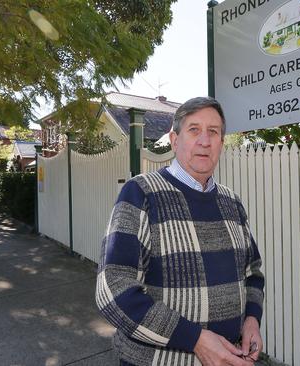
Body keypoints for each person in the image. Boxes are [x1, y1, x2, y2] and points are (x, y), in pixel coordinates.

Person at [96, 97, 264, 366]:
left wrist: (252, 319)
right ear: (175, 140)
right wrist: (195, 338)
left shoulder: (231, 202)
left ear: (221, 143)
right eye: (194, 130)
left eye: (213, 132)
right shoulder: (141, 193)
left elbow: (252, 273)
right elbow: (113, 289)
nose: (205, 141)